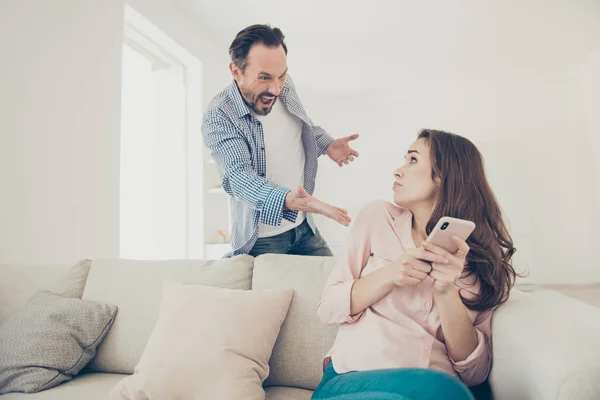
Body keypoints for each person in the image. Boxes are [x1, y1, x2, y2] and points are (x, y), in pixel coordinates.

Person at [312, 129, 517, 400]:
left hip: (436, 387)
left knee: (444, 390)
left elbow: (475, 373)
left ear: (444, 176)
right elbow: (327, 308)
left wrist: (446, 292)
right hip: (354, 379)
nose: (398, 171)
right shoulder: (377, 217)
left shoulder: (480, 266)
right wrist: (392, 273)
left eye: (412, 160)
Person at [202, 24, 359, 258]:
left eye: (281, 76)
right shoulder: (219, 115)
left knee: (332, 289)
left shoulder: (283, 84)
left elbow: (300, 128)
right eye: (264, 78)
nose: (275, 89)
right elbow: (238, 177)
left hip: (304, 226)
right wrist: (285, 199)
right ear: (236, 71)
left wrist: (327, 144)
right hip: (262, 240)